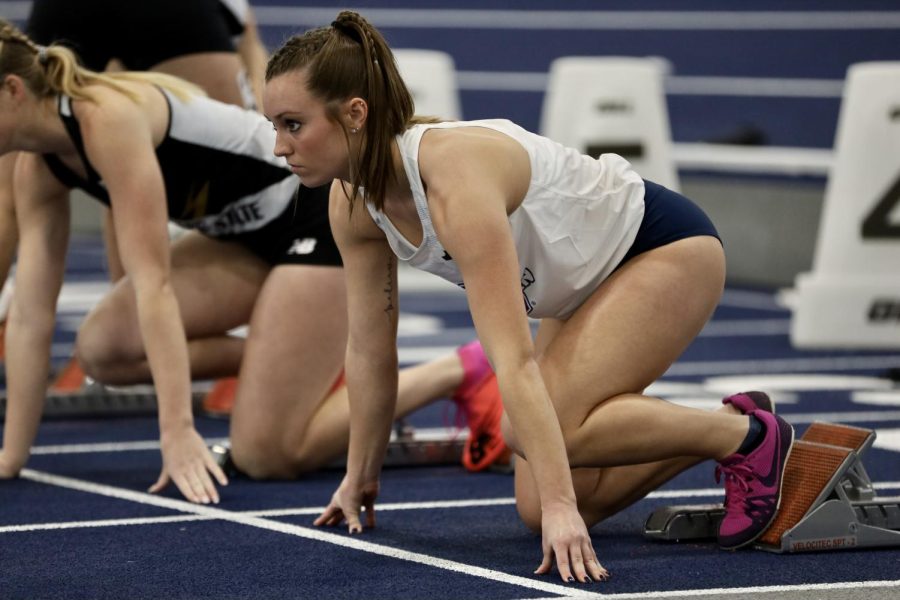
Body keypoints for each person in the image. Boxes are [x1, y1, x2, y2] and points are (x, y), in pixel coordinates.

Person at [262, 11, 795, 583]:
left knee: (532, 444)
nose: (277, 146)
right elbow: (370, 350)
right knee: (536, 506)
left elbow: (511, 358)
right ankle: (720, 427)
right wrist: (358, 475)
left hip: (661, 250)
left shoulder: (453, 180)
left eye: (293, 124)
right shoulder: (352, 205)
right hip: (575, 291)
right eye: (273, 125)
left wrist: (566, 510)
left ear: (354, 114)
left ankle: (747, 437)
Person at [0, 22, 507, 505]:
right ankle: (290, 367)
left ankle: (459, 368)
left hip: (308, 216)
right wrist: (12, 457)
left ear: (14, 91)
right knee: (102, 348)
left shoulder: (105, 118)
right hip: (240, 242)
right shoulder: (38, 165)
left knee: (268, 454)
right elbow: (28, 314)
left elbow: (154, 285)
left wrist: (176, 430)